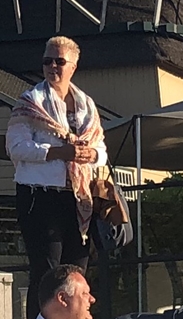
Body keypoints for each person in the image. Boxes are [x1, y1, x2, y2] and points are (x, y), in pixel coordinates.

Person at [6, 35, 107, 271]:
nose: (52, 66)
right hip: (40, 195)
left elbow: (101, 149)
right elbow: (15, 147)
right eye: (47, 61)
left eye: (59, 62)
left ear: (73, 67)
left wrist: (91, 155)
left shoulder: (87, 105)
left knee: (77, 270)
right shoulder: (30, 102)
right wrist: (59, 152)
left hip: (79, 196)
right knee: (46, 270)